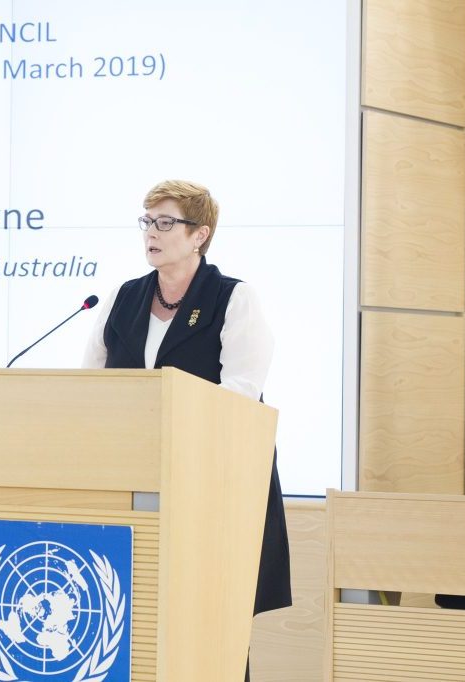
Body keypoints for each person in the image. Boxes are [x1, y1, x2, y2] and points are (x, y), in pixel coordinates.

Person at [82, 179, 291, 681]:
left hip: (213, 485)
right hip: (135, 485)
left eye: (165, 222)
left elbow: (241, 395)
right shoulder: (121, 297)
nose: (151, 233)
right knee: (132, 620)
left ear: (200, 235)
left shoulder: (233, 298)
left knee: (211, 620)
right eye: (147, 221)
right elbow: (89, 386)